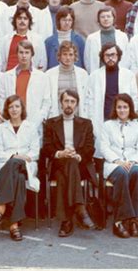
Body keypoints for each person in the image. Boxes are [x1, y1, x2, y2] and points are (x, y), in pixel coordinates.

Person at [42, 90, 98, 237]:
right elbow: (46, 147)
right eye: (66, 101)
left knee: (64, 173)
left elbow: (90, 147)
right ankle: (80, 207)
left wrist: (79, 156)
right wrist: (60, 153)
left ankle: (66, 222)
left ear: (77, 105)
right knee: (64, 167)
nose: (69, 105)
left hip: (79, 165)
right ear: (61, 104)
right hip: (58, 162)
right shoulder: (51, 123)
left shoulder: (86, 123)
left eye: (72, 102)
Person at [0, 95, 40, 241]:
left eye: (17, 106)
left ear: (22, 108)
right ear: (7, 109)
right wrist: (14, 156)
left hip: (27, 165)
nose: (14, 109)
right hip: (6, 166)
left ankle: (1, 206)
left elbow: (35, 152)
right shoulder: (1, 128)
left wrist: (20, 158)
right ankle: (14, 225)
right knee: (18, 176)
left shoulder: (30, 127)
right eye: (11, 107)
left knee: (17, 165)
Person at [100, 93, 138, 238]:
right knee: (121, 173)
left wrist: (133, 161)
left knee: (137, 173)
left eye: (125, 107)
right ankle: (119, 221)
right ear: (115, 108)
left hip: (133, 162)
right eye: (119, 107)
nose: (122, 110)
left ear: (130, 108)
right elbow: (104, 148)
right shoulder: (107, 125)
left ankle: (134, 220)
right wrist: (117, 161)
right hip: (113, 164)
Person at [84, 44, 138, 157]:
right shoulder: (94, 76)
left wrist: (131, 116)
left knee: (121, 149)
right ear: (102, 57)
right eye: (107, 55)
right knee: (102, 151)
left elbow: (134, 99)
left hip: (122, 118)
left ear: (118, 56)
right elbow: (88, 100)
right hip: (101, 118)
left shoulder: (128, 75)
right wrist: (90, 119)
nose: (110, 58)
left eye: (113, 55)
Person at [1, 40, 51, 133]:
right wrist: (7, 119)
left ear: (32, 54)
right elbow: (1, 100)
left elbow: (46, 102)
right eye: (21, 52)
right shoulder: (6, 76)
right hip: (11, 123)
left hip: (34, 123)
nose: (24, 56)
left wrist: (38, 120)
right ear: (17, 54)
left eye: (27, 52)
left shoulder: (42, 77)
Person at [46, 41, 89, 118]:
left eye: (71, 54)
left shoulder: (83, 74)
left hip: (77, 118)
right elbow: (47, 100)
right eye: (65, 54)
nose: (68, 58)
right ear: (59, 56)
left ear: (75, 56)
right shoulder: (49, 75)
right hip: (57, 117)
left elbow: (86, 98)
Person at [84, 6, 130, 74]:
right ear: (98, 20)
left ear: (114, 19)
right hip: (98, 75)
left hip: (118, 74)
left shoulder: (123, 36)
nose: (106, 19)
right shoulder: (91, 38)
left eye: (108, 16)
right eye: (102, 17)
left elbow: (127, 58)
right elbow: (87, 60)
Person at [0, 7, 47, 71]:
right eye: (19, 18)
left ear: (29, 21)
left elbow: (42, 63)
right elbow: (1, 62)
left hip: (30, 77)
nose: (22, 21)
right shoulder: (5, 39)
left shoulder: (38, 39)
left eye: (25, 18)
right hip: (9, 77)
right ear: (15, 21)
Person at [44, 5, 86, 70]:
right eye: (64, 20)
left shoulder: (79, 40)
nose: (67, 23)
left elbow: (83, 63)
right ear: (58, 21)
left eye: (70, 20)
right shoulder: (49, 42)